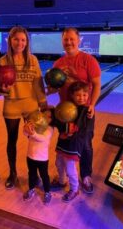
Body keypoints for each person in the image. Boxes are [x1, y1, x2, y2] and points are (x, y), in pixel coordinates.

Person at [48, 27, 101, 194]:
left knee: (85, 143)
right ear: (62, 41)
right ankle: (63, 177)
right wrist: (45, 90)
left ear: (79, 40)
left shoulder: (88, 60)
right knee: (65, 142)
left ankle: (85, 176)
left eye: (72, 39)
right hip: (65, 111)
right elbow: (53, 88)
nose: (69, 42)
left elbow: (97, 84)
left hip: (84, 111)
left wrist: (92, 104)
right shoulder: (58, 63)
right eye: (66, 39)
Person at [0, 26, 48, 189]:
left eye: (23, 40)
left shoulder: (32, 60)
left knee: (37, 138)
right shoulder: (3, 61)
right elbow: (0, 87)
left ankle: (35, 174)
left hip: (31, 105)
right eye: (16, 39)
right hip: (11, 105)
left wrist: (43, 102)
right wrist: (2, 90)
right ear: (10, 41)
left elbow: (38, 82)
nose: (20, 43)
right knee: (11, 141)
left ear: (27, 42)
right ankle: (12, 173)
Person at [50, 81, 95, 202]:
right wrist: (52, 113)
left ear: (88, 95)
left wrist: (70, 131)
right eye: (78, 95)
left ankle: (74, 189)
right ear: (72, 95)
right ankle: (61, 181)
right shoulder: (67, 107)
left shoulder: (88, 111)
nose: (81, 98)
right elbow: (59, 121)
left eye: (84, 95)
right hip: (63, 142)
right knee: (59, 163)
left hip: (74, 144)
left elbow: (85, 130)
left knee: (70, 167)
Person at [22, 116, 53, 205]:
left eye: (49, 116)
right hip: (30, 156)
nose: (46, 118)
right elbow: (25, 134)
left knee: (44, 176)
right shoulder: (36, 125)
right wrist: (26, 128)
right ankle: (31, 189)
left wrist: (32, 133)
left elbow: (42, 138)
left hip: (42, 159)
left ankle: (47, 192)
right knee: (31, 174)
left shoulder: (50, 129)